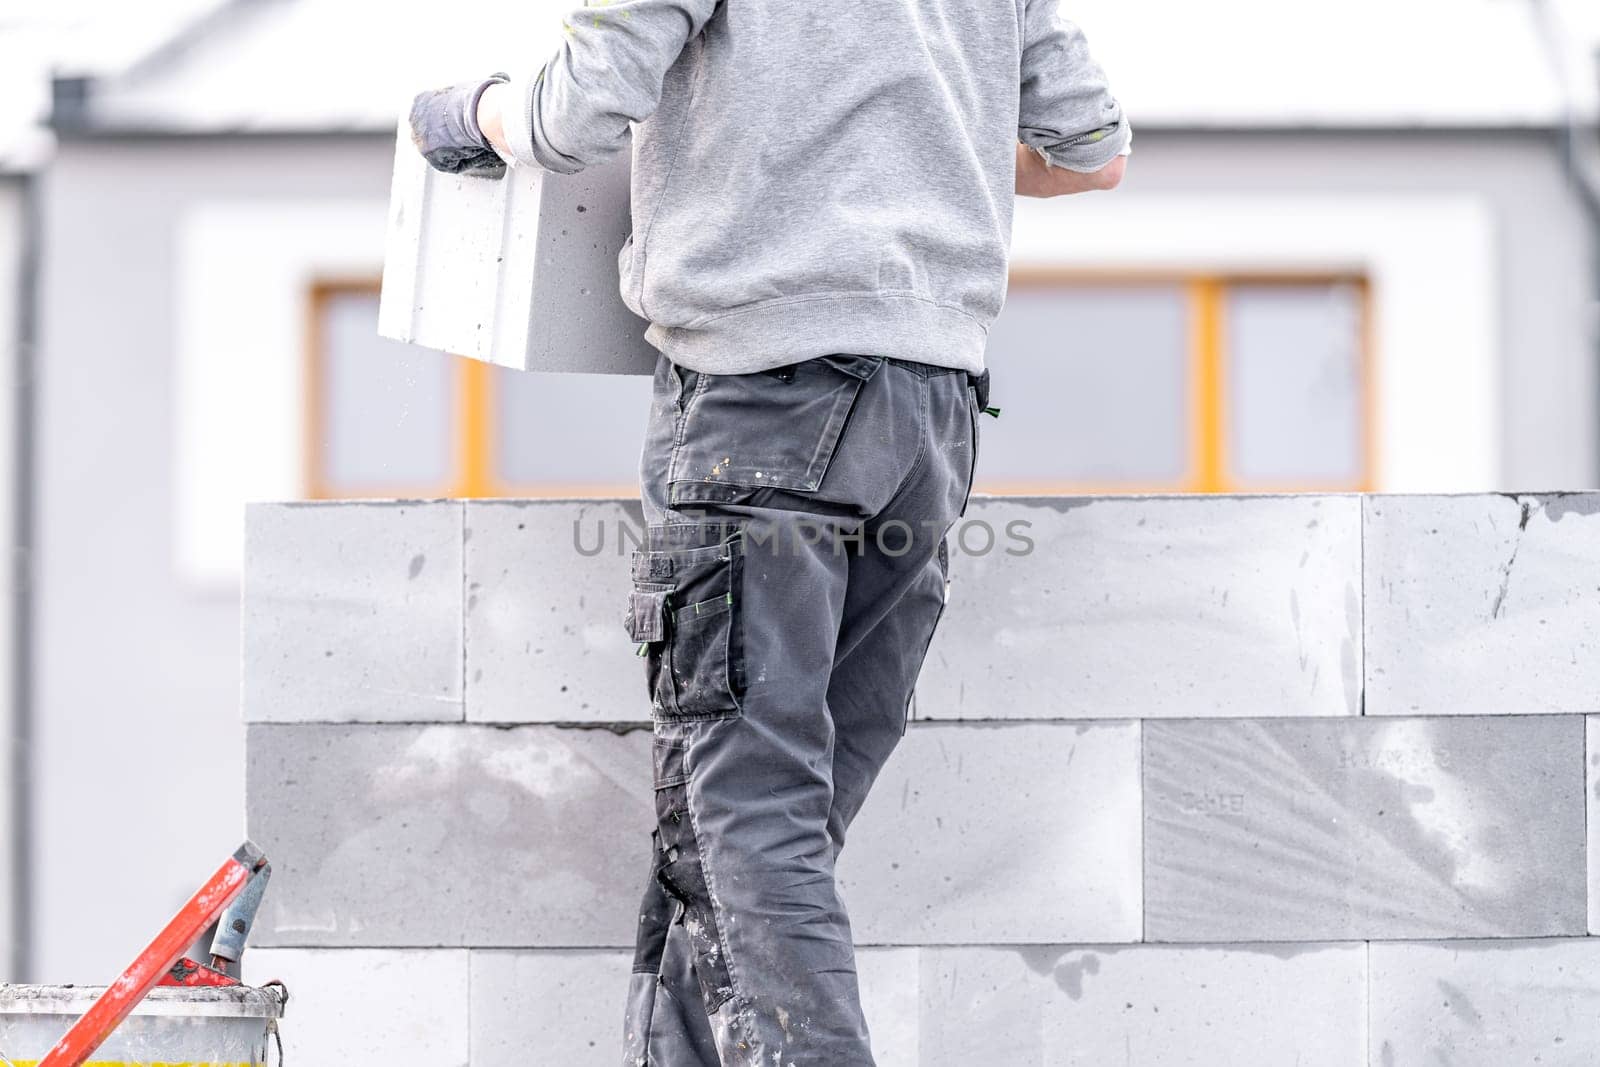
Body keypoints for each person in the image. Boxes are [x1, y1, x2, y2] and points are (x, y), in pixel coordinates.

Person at [410, 2, 1128, 1062]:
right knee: (725, 841)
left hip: (764, 406)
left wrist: (470, 111)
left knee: (749, 816)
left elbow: (572, 120)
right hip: (927, 421)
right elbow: (1094, 156)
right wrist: (916, 153)